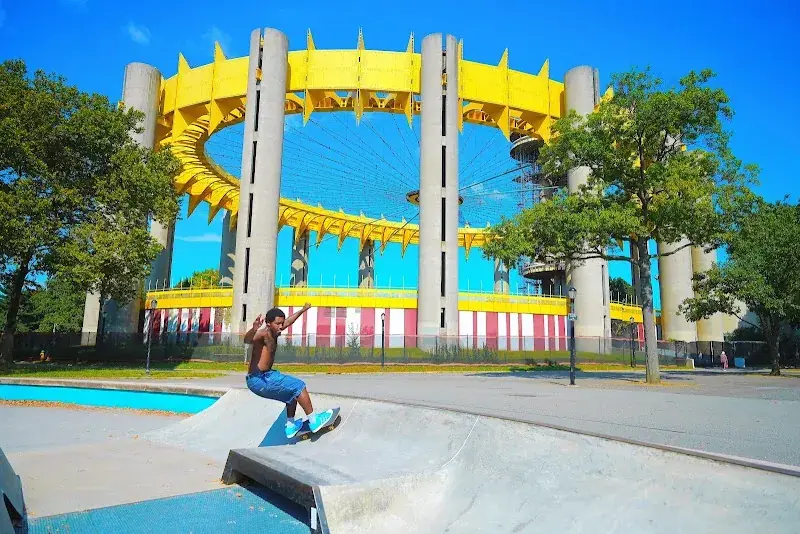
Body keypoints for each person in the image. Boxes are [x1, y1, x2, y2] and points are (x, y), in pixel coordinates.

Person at [243, 305, 334, 438]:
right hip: (259, 378)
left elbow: (289, 321)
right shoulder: (262, 333)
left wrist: (303, 310)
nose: (281, 327)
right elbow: (247, 339)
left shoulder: (275, 329)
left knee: (291, 394)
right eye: (278, 324)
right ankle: (314, 421)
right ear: (268, 324)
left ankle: (291, 426)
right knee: (298, 386)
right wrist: (254, 328)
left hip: (262, 378)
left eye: (282, 323)